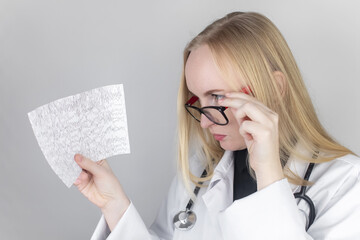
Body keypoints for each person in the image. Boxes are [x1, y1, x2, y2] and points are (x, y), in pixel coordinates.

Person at [73, 12, 360, 239]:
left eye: (218, 96)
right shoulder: (201, 173)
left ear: (274, 88)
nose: (206, 121)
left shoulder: (345, 183)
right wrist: (113, 204)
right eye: (198, 100)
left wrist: (269, 176)